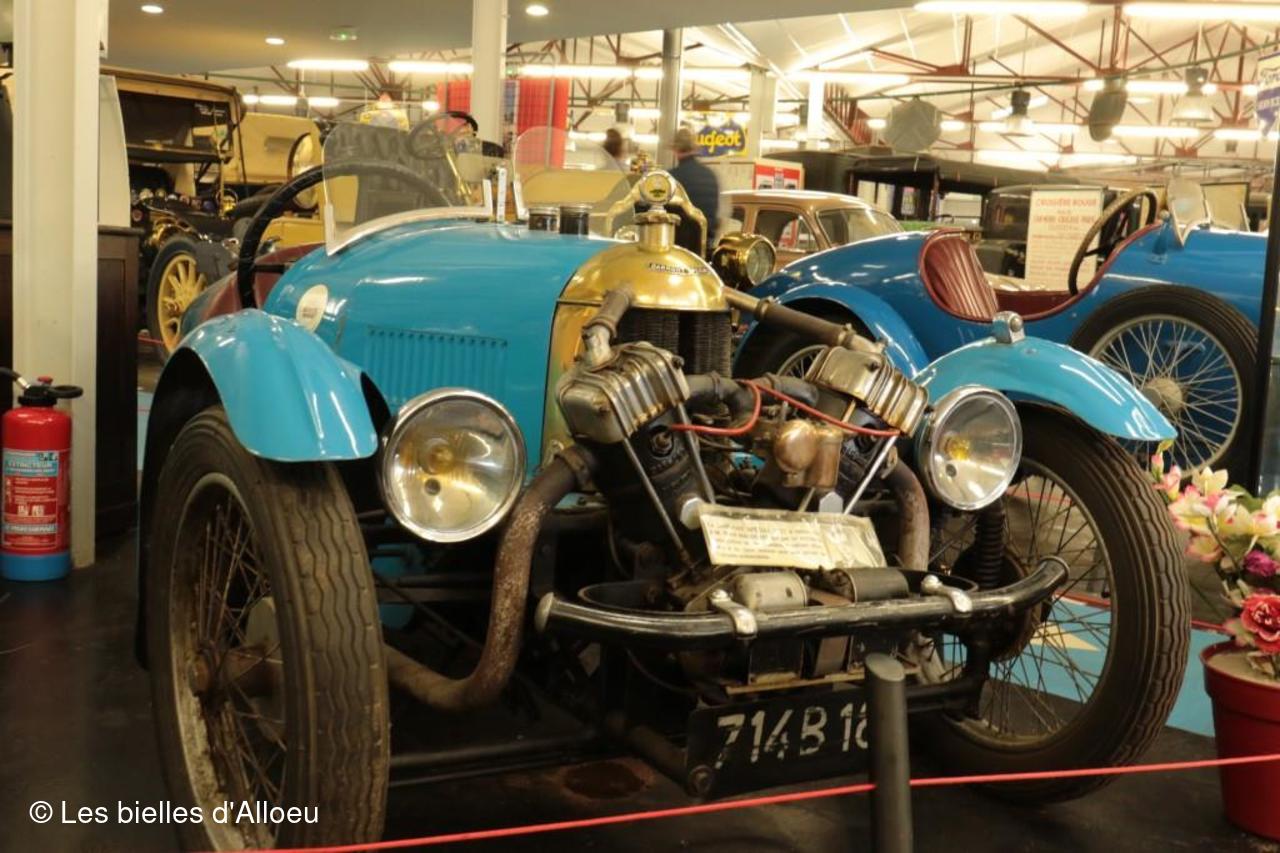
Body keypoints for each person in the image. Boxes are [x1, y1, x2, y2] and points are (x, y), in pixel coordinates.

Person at [667, 127, 720, 257]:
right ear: (695, 148)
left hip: (679, 248)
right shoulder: (710, 175)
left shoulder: (672, 178)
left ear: (676, 150)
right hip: (704, 247)